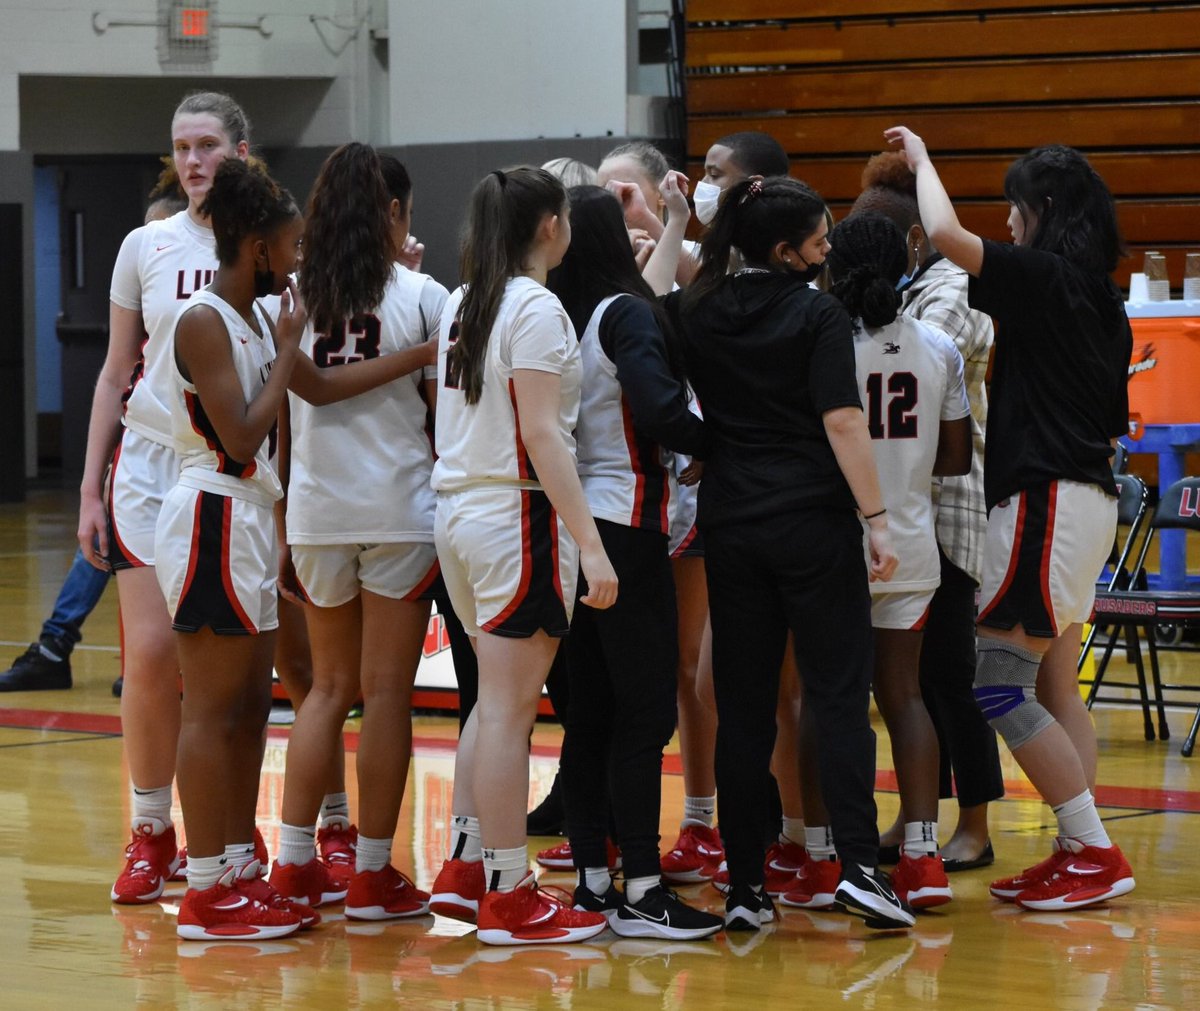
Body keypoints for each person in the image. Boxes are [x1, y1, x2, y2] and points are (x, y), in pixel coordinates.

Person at [886, 126, 1135, 911]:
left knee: (996, 683)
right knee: (1057, 687)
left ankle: (1093, 847)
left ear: (1042, 209)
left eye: (1015, 208)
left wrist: (925, 162)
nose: (1010, 222)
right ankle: (1075, 847)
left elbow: (952, 238)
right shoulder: (1105, 297)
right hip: (1089, 501)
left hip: (1045, 499)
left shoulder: (1045, 277)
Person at [669, 175, 915, 931]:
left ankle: (745, 885)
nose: (826, 250)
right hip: (814, 523)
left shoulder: (697, 308)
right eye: (816, 240)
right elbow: (843, 420)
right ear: (784, 252)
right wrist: (877, 519)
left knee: (744, 711)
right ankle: (862, 870)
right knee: (839, 697)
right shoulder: (817, 312)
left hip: (732, 525)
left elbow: (665, 395)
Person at [427, 166, 615, 946]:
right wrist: (595, 547)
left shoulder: (462, 300)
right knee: (509, 710)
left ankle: (467, 869)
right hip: (515, 512)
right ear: (549, 225)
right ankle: (510, 891)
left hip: (460, 512)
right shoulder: (534, 305)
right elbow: (543, 435)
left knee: (489, 704)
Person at [78, 92, 258, 904]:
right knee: (151, 655)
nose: (193, 161)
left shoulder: (266, 243)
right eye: (183, 147)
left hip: (238, 467)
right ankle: (152, 830)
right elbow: (117, 372)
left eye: (209, 146)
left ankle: (229, 827)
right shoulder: (144, 245)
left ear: (241, 153)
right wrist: (90, 487)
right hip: (151, 465)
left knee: (232, 666)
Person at [268, 144, 446, 920]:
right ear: (394, 212)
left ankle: (294, 865)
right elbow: (446, 417)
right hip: (399, 510)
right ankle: (373, 875)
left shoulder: (292, 298)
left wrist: (278, 522)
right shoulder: (423, 296)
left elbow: (279, 420)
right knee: (385, 694)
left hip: (314, 510)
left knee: (323, 690)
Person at [546, 184, 722, 940]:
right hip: (625, 527)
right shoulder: (625, 314)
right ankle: (645, 886)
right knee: (644, 709)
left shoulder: (563, 316)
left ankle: (593, 879)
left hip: (570, 527)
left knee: (587, 709)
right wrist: (720, 440)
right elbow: (655, 409)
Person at [785, 211, 971, 913]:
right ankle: (922, 858)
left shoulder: (819, 337)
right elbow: (955, 458)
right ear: (905, 262)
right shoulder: (937, 346)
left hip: (835, 539)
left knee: (822, 700)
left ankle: (820, 855)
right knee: (906, 695)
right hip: (913, 540)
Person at [156, 157, 311, 940]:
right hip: (214, 510)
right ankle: (205, 886)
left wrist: (426, 361)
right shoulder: (204, 320)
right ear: (257, 246)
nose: (297, 257)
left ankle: (237, 866)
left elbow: (309, 389)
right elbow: (244, 436)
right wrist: (289, 346)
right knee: (212, 709)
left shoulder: (253, 315)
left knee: (253, 706)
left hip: (250, 516)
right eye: (290, 243)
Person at [852, 151, 1003, 871]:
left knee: (947, 675)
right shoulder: (897, 296)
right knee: (902, 687)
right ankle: (918, 819)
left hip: (947, 511)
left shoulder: (952, 290)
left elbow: (937, 351)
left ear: (914, 239)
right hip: (903, 505)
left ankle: (973, 821)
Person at [0, 175, 188, 696]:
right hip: (144, 454)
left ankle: (155, 658)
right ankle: (59, 647)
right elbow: (113, 381)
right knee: (103, 534)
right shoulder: (137, 320)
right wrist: (92, 486)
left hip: (205, 457)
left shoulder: (203, 309)